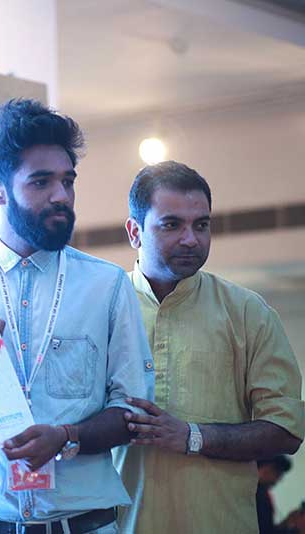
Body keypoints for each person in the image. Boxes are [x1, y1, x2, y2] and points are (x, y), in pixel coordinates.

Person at [0, 98, 154, 534]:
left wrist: (66, 437)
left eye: (68, 181)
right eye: (41, 182)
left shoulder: (107, 285)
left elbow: (133, 412)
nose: (61, 196)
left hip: (82, 525)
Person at [115, 160, 305, 534]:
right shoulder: (103, 310)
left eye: (201, 225)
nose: (191, 239)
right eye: (172, 225)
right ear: (135, 232)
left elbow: (286, 429)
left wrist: (192, 437)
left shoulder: (247, 313)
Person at [257, 456, 292, 534]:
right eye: (277, 471)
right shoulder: (258, 494)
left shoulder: (262, 493)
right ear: (265, 469)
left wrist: (286, 523)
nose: (279, 478)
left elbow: (266, 528)